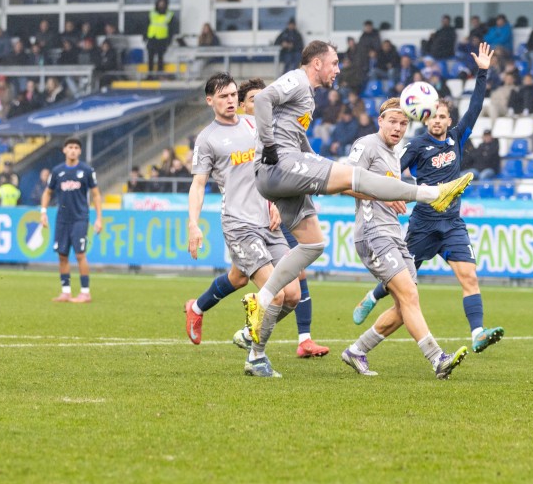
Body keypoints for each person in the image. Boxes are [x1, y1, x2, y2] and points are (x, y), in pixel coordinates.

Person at [241, 41, 473, 377]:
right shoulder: (297, 80)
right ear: (317, 63)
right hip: (279, 166)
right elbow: (263, 100)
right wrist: (270, 147)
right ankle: (431, 194)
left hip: (287, 168)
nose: (337, 69)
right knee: (358, 176)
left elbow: (295, 133)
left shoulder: (310, 99)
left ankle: (259, 321)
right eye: (334, 63)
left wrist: (308, 160)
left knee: (313, 244)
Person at [351, 43, 504, 355]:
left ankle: (477, 333)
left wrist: (483, 73)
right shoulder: (416, 146)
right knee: (403, 281)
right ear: (424, 118)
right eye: (433, 116)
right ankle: (371, 296)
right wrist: (392, 193)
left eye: (443, 116)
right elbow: (392, 174)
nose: (438, 121)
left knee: (469, 277)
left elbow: (475, 106)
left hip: (451, 223)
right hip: (423, 224)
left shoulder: (457, 138)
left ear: (449, 120)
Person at [184, 73, 302, 377]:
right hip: (239, 224)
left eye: (233, 95)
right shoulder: (207, 138)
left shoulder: (253, 126)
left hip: (268, 221)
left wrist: (275, 202)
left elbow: (270, 169)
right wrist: (193, 224)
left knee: (292, 295)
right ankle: (256, 358)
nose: (230, 101)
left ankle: (202, 310)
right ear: (210, 101)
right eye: (222, 96)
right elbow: (198, 185)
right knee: (274, 294)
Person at [342, 98, 468, 379]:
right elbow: (343, 184)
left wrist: (396, 194)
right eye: (393, 121)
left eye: (403, 123)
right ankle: (438, 359)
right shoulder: (367, 145)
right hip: (372, 234)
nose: (398, 128)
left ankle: (356, 350)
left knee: (403, 307)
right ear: (380, 121)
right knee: (409, 295)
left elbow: (390, 191)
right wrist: (382, 193)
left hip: (393, 234)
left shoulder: (393, 154)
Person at [235, 77, 330, 358]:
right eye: (251, 100)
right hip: (249, 221)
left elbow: (297, 156)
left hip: (279, 212)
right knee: (239, 279)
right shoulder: (239, 136)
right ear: (242, 106)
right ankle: (202, 309)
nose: (257, 104)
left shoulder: (277, 127)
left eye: (260, 99)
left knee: (298, 273)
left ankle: (303, 338)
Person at [39, 138, 103, 303]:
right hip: (62, 219)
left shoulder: (86, 171)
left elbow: (96, 194)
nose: (73, 150)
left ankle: (85, 292)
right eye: (70, 147)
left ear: (80, 151)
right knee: (62, 255)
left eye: (76, 147)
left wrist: (99, 218)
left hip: (80, 218)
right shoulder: (57, 171)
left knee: (80, 254)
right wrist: (43, 212)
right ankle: (66, 291)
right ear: (64, 150)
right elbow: (47, 192)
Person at [144, 0, 175, 74]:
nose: (161, 5)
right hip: (152, 38)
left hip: (162, 39)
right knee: (150, 58)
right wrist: (145, 36)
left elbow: (171, 29)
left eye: (163, 3)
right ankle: (150, 74)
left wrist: (169, 40)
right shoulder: (152, 13)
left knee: (160, 58)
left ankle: (159, 74)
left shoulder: (169, 15)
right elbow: (146, 25)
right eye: (160, 3)